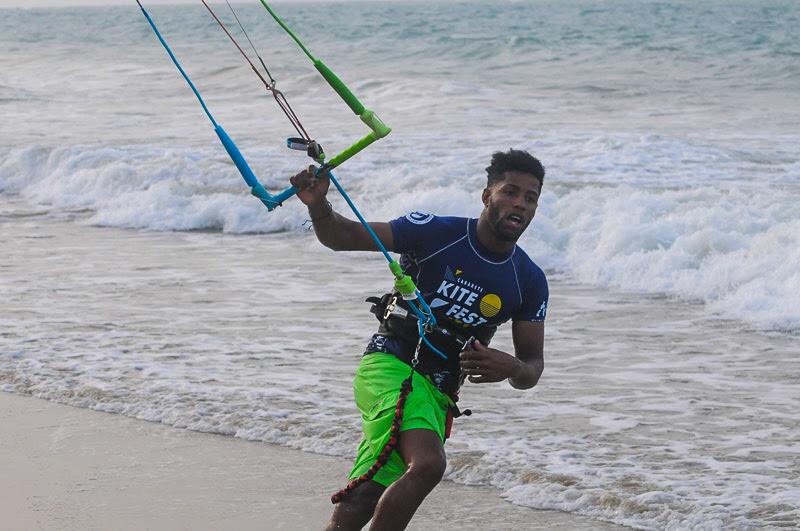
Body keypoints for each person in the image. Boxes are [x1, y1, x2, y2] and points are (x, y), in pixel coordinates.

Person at [290, 149, 548, 531]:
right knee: (428, 464)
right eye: (510, 192)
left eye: (530, 198)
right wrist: (318, 205)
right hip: (390, 365)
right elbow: (342, 236)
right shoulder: (435, 232)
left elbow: (532, 368)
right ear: (486, 196)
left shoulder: (528, 280)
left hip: (437, 394)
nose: (520, 204)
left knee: (364, 497)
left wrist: (511, 368)